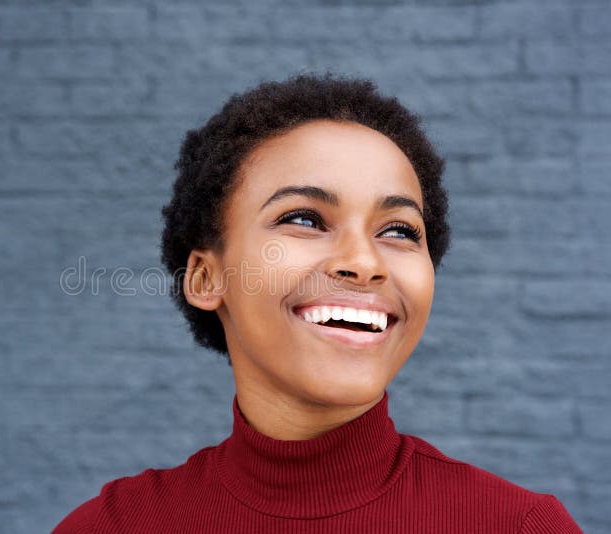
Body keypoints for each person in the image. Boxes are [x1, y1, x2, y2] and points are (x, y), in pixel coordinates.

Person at [52, 72, 582, 533]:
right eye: (304, 219)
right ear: (207, 277)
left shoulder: (519, 527)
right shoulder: (112, 527)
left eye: (399, 230)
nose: (364, 261)